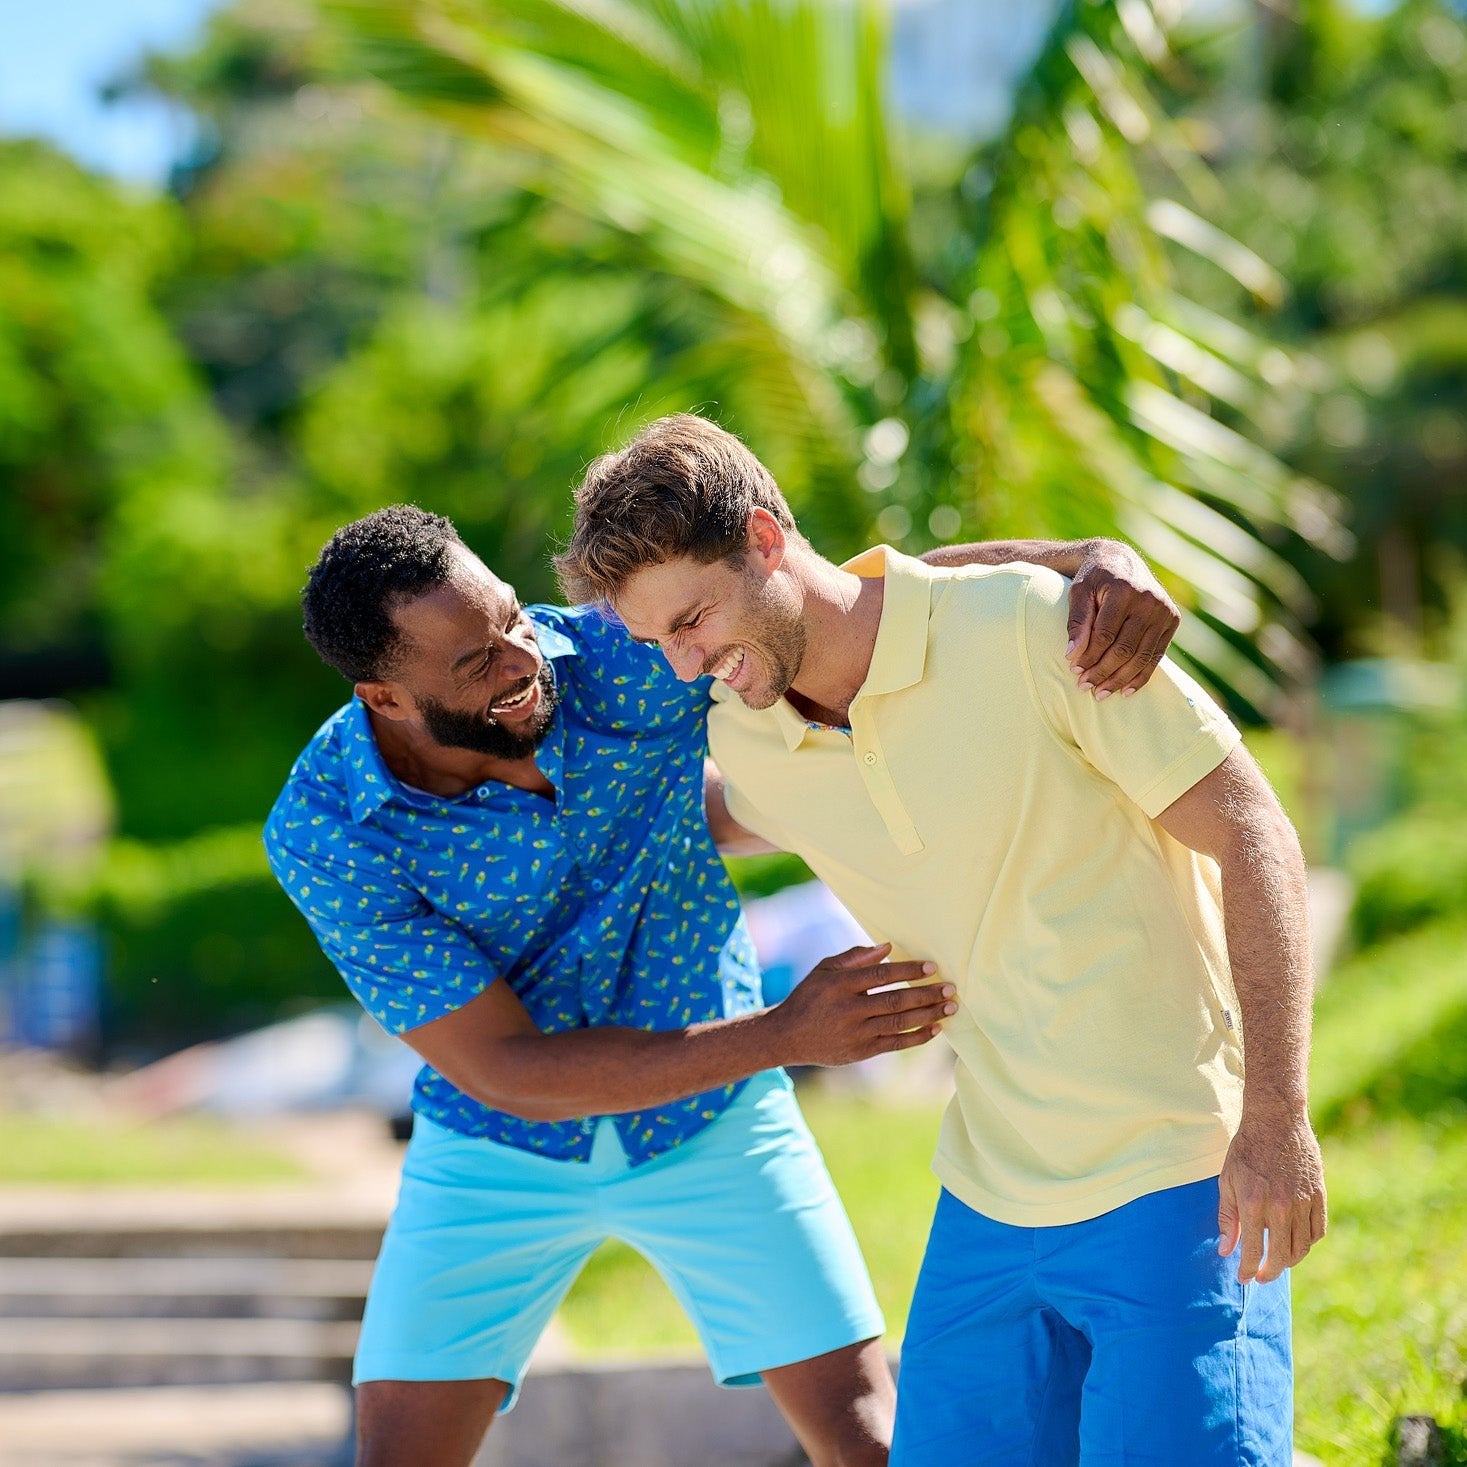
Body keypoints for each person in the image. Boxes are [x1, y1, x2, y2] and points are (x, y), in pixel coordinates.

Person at [265, 505, 1179, 1467]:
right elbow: (507, 1068)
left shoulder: (618, 656)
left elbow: (830, 600)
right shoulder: (329, 829)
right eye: (474, 663)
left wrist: (1086, 560)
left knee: (871, 1444)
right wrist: (786, 1034)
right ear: (384, 697)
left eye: (508, 616)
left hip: (717, 1124)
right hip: (498, 1148)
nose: (519, 656)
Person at [558, 412, 1328, 1467]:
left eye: (693, 620)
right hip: (988, 1199)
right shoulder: (755, 736)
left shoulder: (1039, 630)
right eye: (660, 644)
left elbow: (1254, 834)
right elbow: (677, 819)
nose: (687, 665)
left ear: (766, 539)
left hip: (1179, 1174)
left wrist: (1279, 1117)